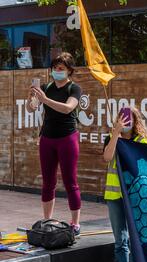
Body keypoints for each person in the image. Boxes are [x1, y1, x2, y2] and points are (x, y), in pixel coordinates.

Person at [26, 52, 82, 236]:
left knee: (70, 182)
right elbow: (32, 107)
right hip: (47, 139)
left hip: (67, 138)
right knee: (48, 182)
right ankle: (47, 219)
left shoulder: (74, 88)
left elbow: (67, 108)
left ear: (69, 71)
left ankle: (75, 223)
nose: (57, 71)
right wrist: (31, 99)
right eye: (55, 68)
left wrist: (45, 100)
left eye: (61, 69)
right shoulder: (46, 86)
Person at [103, 107, 147, 262]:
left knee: (133, 239)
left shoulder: (142, 142)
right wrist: (115, 134)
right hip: (114, 196)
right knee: (119, 240)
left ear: (135, 120)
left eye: (128, 117)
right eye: (122, 117)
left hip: (134, 197)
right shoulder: (111, 137)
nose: (125, 121)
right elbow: (107, 157)